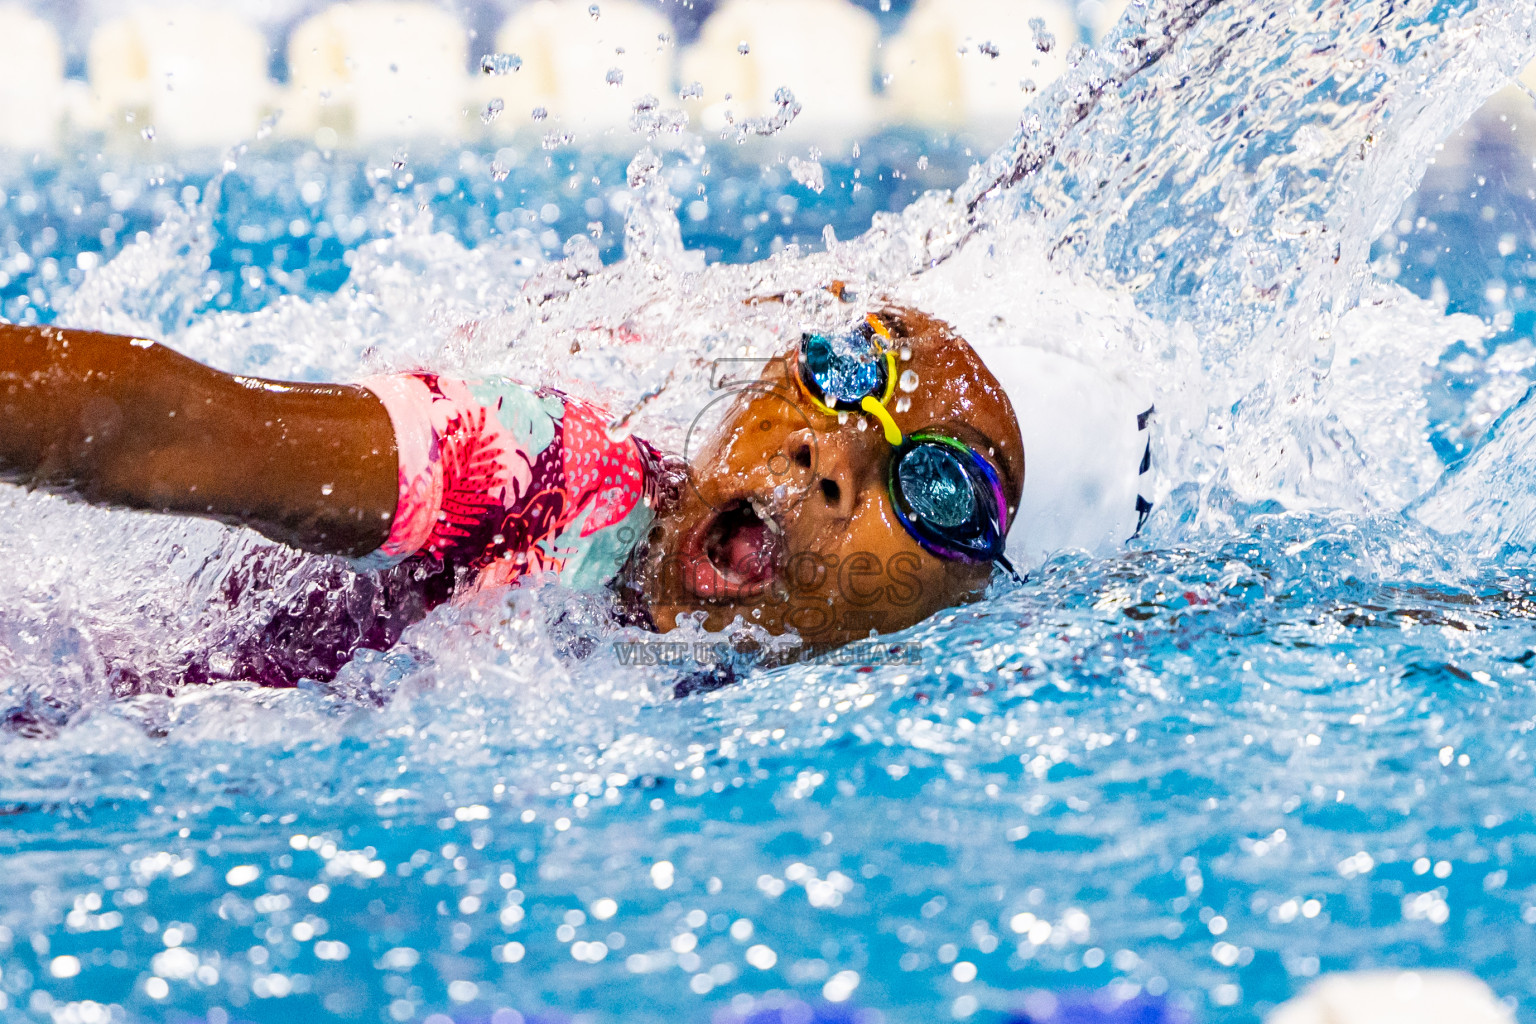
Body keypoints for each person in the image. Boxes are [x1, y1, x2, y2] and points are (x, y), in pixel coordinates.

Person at [0, 294, 1153, 692]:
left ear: (972, 602)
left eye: (938, 486)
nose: (832, 455)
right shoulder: (537, 471)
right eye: (854, 373)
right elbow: (178, 423)